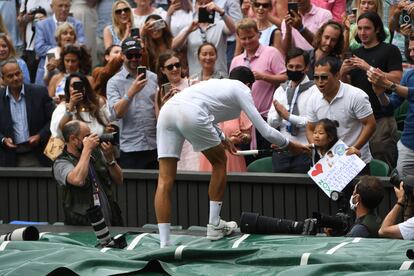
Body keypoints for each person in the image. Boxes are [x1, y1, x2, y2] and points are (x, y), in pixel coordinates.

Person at [155, 66, 311, 248]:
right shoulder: (242, 89)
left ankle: (164, 242)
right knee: (220, 161)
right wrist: (291, 146)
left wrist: (222, 137)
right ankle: (214, 225)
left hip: (167, 112)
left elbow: (208, 114)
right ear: (249, 84)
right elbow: (267, 131)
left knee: (164, 180)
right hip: (190, 113)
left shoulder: (212, 85)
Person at [341, 11, 402, 169]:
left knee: (381, 166)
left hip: (381, 118)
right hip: (358, 121)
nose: (362, 32)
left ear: (377, 29)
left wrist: (368, 67)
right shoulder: (356, 53)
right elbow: (347, 86)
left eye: (367, 28)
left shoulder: (390, 50)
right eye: (359, 28)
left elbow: (396, 79)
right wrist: (342, 73)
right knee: (357, 168)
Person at [306, 56, 376, 173]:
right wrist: (316, 147)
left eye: (324, 77)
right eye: (316, 77)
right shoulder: (313, 98)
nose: (319, 81)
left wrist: (355, 148)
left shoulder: (356, 96)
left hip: (355, 161)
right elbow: (310, 128)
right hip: (327, 163)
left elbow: (370, 124)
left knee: (356, 192)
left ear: (337, 75)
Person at [231, 18, 286, 162]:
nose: (248, 41)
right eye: (243, 38)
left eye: (251, 37)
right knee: (246, 160)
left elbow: (285, 77)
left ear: (259, 34)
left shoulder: (271, 52)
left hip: (266, 118)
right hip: (244, 122)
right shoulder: (236, 60)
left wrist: (264, 77)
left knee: (265, 158)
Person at [53, 120, 124, 226]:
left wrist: (110, 159)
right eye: (87, 136)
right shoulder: (61, 163)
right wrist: (87, 149)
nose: (91, 139)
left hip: (110, 219)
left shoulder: (95, 153)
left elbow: (119, 180)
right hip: (83, 227)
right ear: (73, 139)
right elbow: (78, 179)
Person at [106, 38, 159, 169]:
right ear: (123, 56)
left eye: (137, 55)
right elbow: (115, 114)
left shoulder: (153, 78)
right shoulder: (114, 82)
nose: (134, 59)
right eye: (130, 55)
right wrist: (131, 92)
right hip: (131, 148)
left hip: (155, 145)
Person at [268, 47, 317, 173]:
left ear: (306, 68)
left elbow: (314, 123)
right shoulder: (281, 90)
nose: (294, 70)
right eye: (290, 66)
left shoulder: (315, 90)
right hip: (282, 150)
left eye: (298, 67)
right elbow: (271, 123)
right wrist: (279, 115)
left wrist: (288, 116)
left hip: (304, 149)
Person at [0, 59, 55, 167]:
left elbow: (53, 120)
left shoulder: (39, 92)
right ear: (3, 79)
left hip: (38, 152)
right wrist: (3, 139)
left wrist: (40, 135)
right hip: (8, 156)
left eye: (18, 74)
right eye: (10, 76)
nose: (16, 78)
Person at [155, 50, 199, 170]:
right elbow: (160, 122)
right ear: (163, 70)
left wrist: (183, 100)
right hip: (174, 142)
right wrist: (166, 105)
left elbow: (200, 113)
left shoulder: (193, 84)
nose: (175, 69)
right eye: (170, 67)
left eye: (177, 65)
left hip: (192, 141)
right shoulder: (160, 92)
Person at [172, 0, 236, 77]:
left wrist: (221, 12)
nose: (203, 6)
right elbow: (174, 46)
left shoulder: (220, 24)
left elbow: (233, 30)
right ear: (195, 6)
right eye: (200, 3)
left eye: (206, 3)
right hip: (196, 77)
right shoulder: (190, 26)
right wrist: (188, 31)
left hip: (219, 77)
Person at [34, 0, 86, 85]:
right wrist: (61, 47)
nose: (64, 9)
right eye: (60, 6)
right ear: (52, 7)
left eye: (67, 6)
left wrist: (63, 49)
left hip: (72, 72)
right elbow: (39, 49)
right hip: (47, 73)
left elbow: (82, 46)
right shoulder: (42, 25)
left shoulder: (77, 24)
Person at [50, 72, 112, 139]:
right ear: (67, 89)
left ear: (86, 87)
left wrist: (107, 130)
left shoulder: (97, 104)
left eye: (80, 85)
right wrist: (71, 107)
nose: (76, 89)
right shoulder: (62, 108)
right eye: (72, 86)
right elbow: (59, 132)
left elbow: (109, 124)